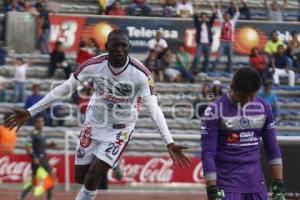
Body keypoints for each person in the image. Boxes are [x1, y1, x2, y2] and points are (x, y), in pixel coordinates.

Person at [4, 29, 191, 200]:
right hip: (94, 123)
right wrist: (30, 112)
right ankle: (114, 161)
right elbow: (62, 90)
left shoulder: (141, 74)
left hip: (121, 128)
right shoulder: (92, 66)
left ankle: (111, 158)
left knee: (93, 177)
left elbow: (154, 109)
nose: (119, 49)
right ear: (106, 46)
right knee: (80, 177)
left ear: (129, 47)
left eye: (123, 45)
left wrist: (169, 141)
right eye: (114, 45)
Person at [201, 67, 285, 200]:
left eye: (252, 97)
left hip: (256, 185)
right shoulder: (213, 110)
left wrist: (279, 185)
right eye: (242, 97)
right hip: (227, 186)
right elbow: (208, 153)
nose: (247, 101)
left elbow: (272, 148)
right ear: (231, 88)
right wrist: (211, 190)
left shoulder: (265, 108)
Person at [18, 115, 56, 200]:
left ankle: (21, 196)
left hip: (43, 159)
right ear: (35, 123)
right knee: (50, 177)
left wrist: (50, 145)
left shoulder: (43, 134)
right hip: (37, 159)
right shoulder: (32, 134)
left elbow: (41, 145)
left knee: (37, 180)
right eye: (38, 121)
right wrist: (33, 158)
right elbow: (27, 147)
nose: (41, 123)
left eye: (42, 121)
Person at [212, 0, 240, 74]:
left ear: (230, 17)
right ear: (224, 16)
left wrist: (235, 3)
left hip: (230, 42)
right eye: (225, 16)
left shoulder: (232, 22)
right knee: (218, 57)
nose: (227, 17)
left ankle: (229, 71)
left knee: (230, 58)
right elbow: (218, 11)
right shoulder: (222, 22)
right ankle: (213, 70)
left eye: (228, 16)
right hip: (223, 42)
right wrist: (220, 3)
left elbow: (237, 12)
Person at [191, 4, 216, 73]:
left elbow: (214, 15)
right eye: (202, 17)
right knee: (197, 58)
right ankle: (194, 71)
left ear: (206, 18)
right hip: (200, 44)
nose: (204, 18)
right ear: (201, 18)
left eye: (205, 17)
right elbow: (195, 15)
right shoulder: (198, 23)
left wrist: (212, 6)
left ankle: (205, 72)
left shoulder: (209, 24)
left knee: (207, 59)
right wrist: (197, 5)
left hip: (208, 44)